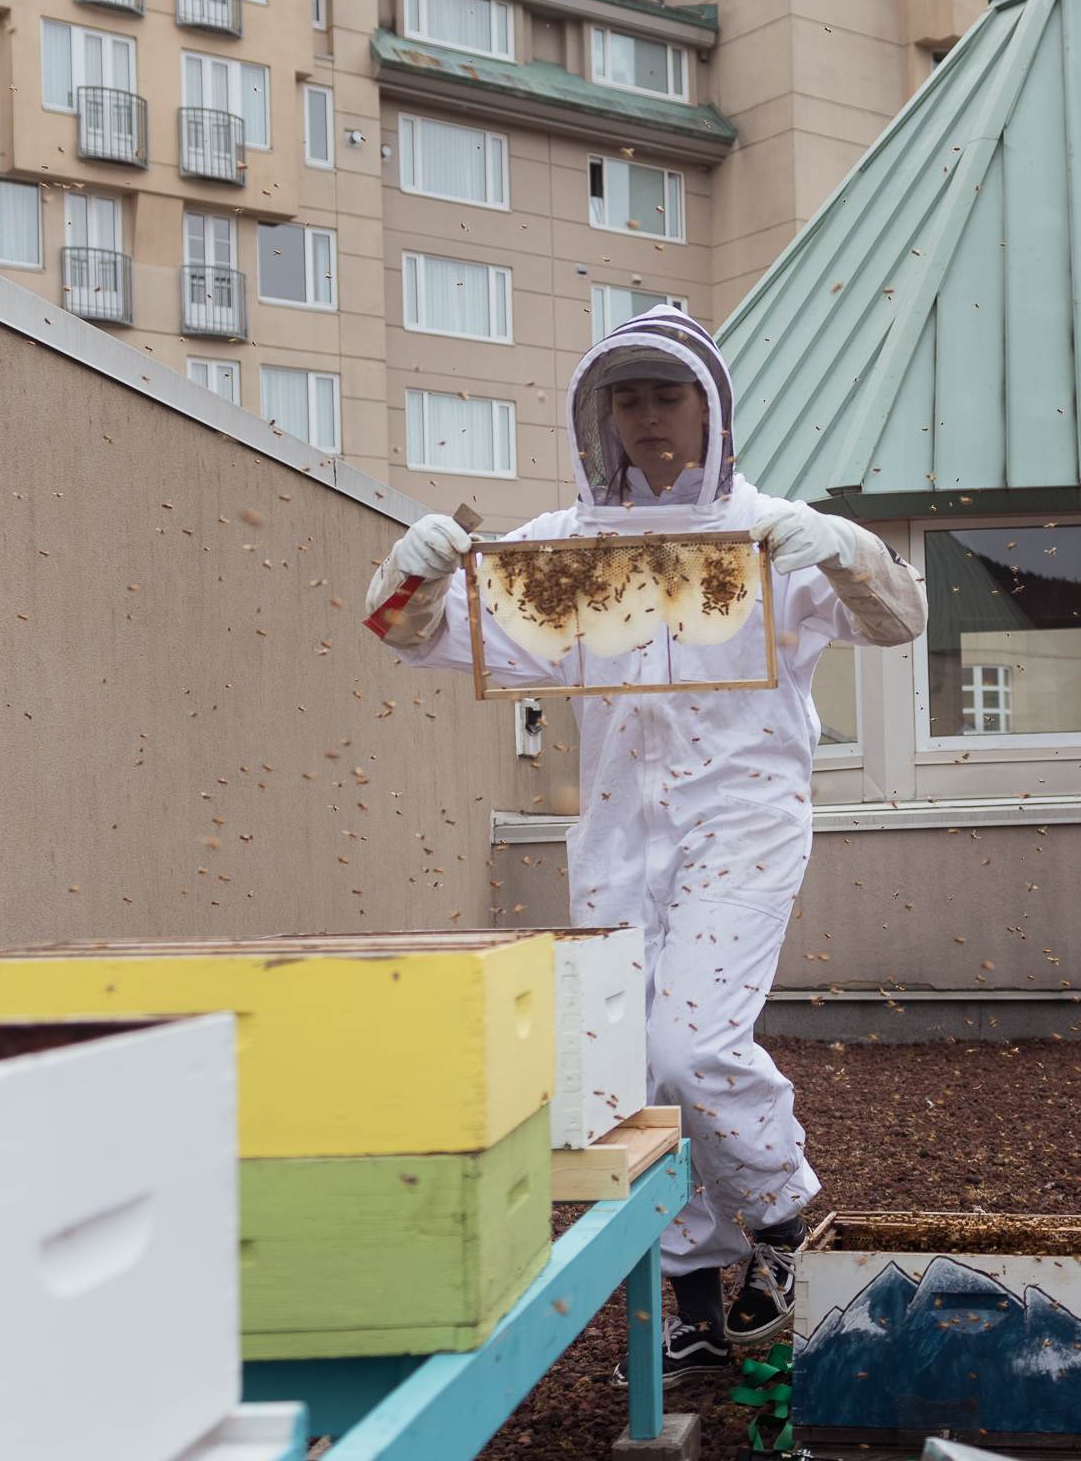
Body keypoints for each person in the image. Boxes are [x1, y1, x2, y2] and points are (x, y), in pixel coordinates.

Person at [365, 308, 927, 1387]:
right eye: (627, 399)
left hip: (744, 819)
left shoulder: (772, 532)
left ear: (708, 407)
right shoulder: (566, 551)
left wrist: (851, 548)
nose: (646, 417)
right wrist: (417, 566)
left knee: (689, 1046)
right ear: (598, 417)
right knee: (630, 1070)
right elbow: (405, 631)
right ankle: (700, 1306)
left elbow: (898, 618)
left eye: (665, 395)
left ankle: (782, 1215)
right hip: (618, 832)